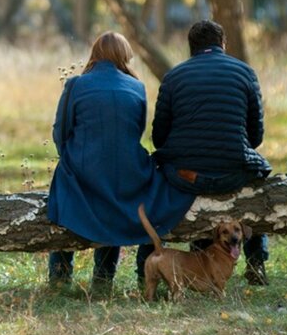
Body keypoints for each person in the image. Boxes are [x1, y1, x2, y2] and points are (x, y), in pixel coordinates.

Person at [47, 32, 196, 291]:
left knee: (66, 202)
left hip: (83, 167)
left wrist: (74, 159)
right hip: (129, 170)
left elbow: (60, 132)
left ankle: (59, 279)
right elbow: (137, 131)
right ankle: (104, 278)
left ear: (95, 54)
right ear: (124, 57)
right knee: (119, 201)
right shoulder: (136, 88)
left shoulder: (75, 85)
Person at [136, 20, 272, 286]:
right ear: (223, 44)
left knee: (154, 187)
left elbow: (159, 137)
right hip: (232, 173)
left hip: (186, 176)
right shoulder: (246, 73)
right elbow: (255, 137)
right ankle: (256, 263)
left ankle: (145, 271)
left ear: (191, 48)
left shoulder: (173, 77)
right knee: (259, 191)